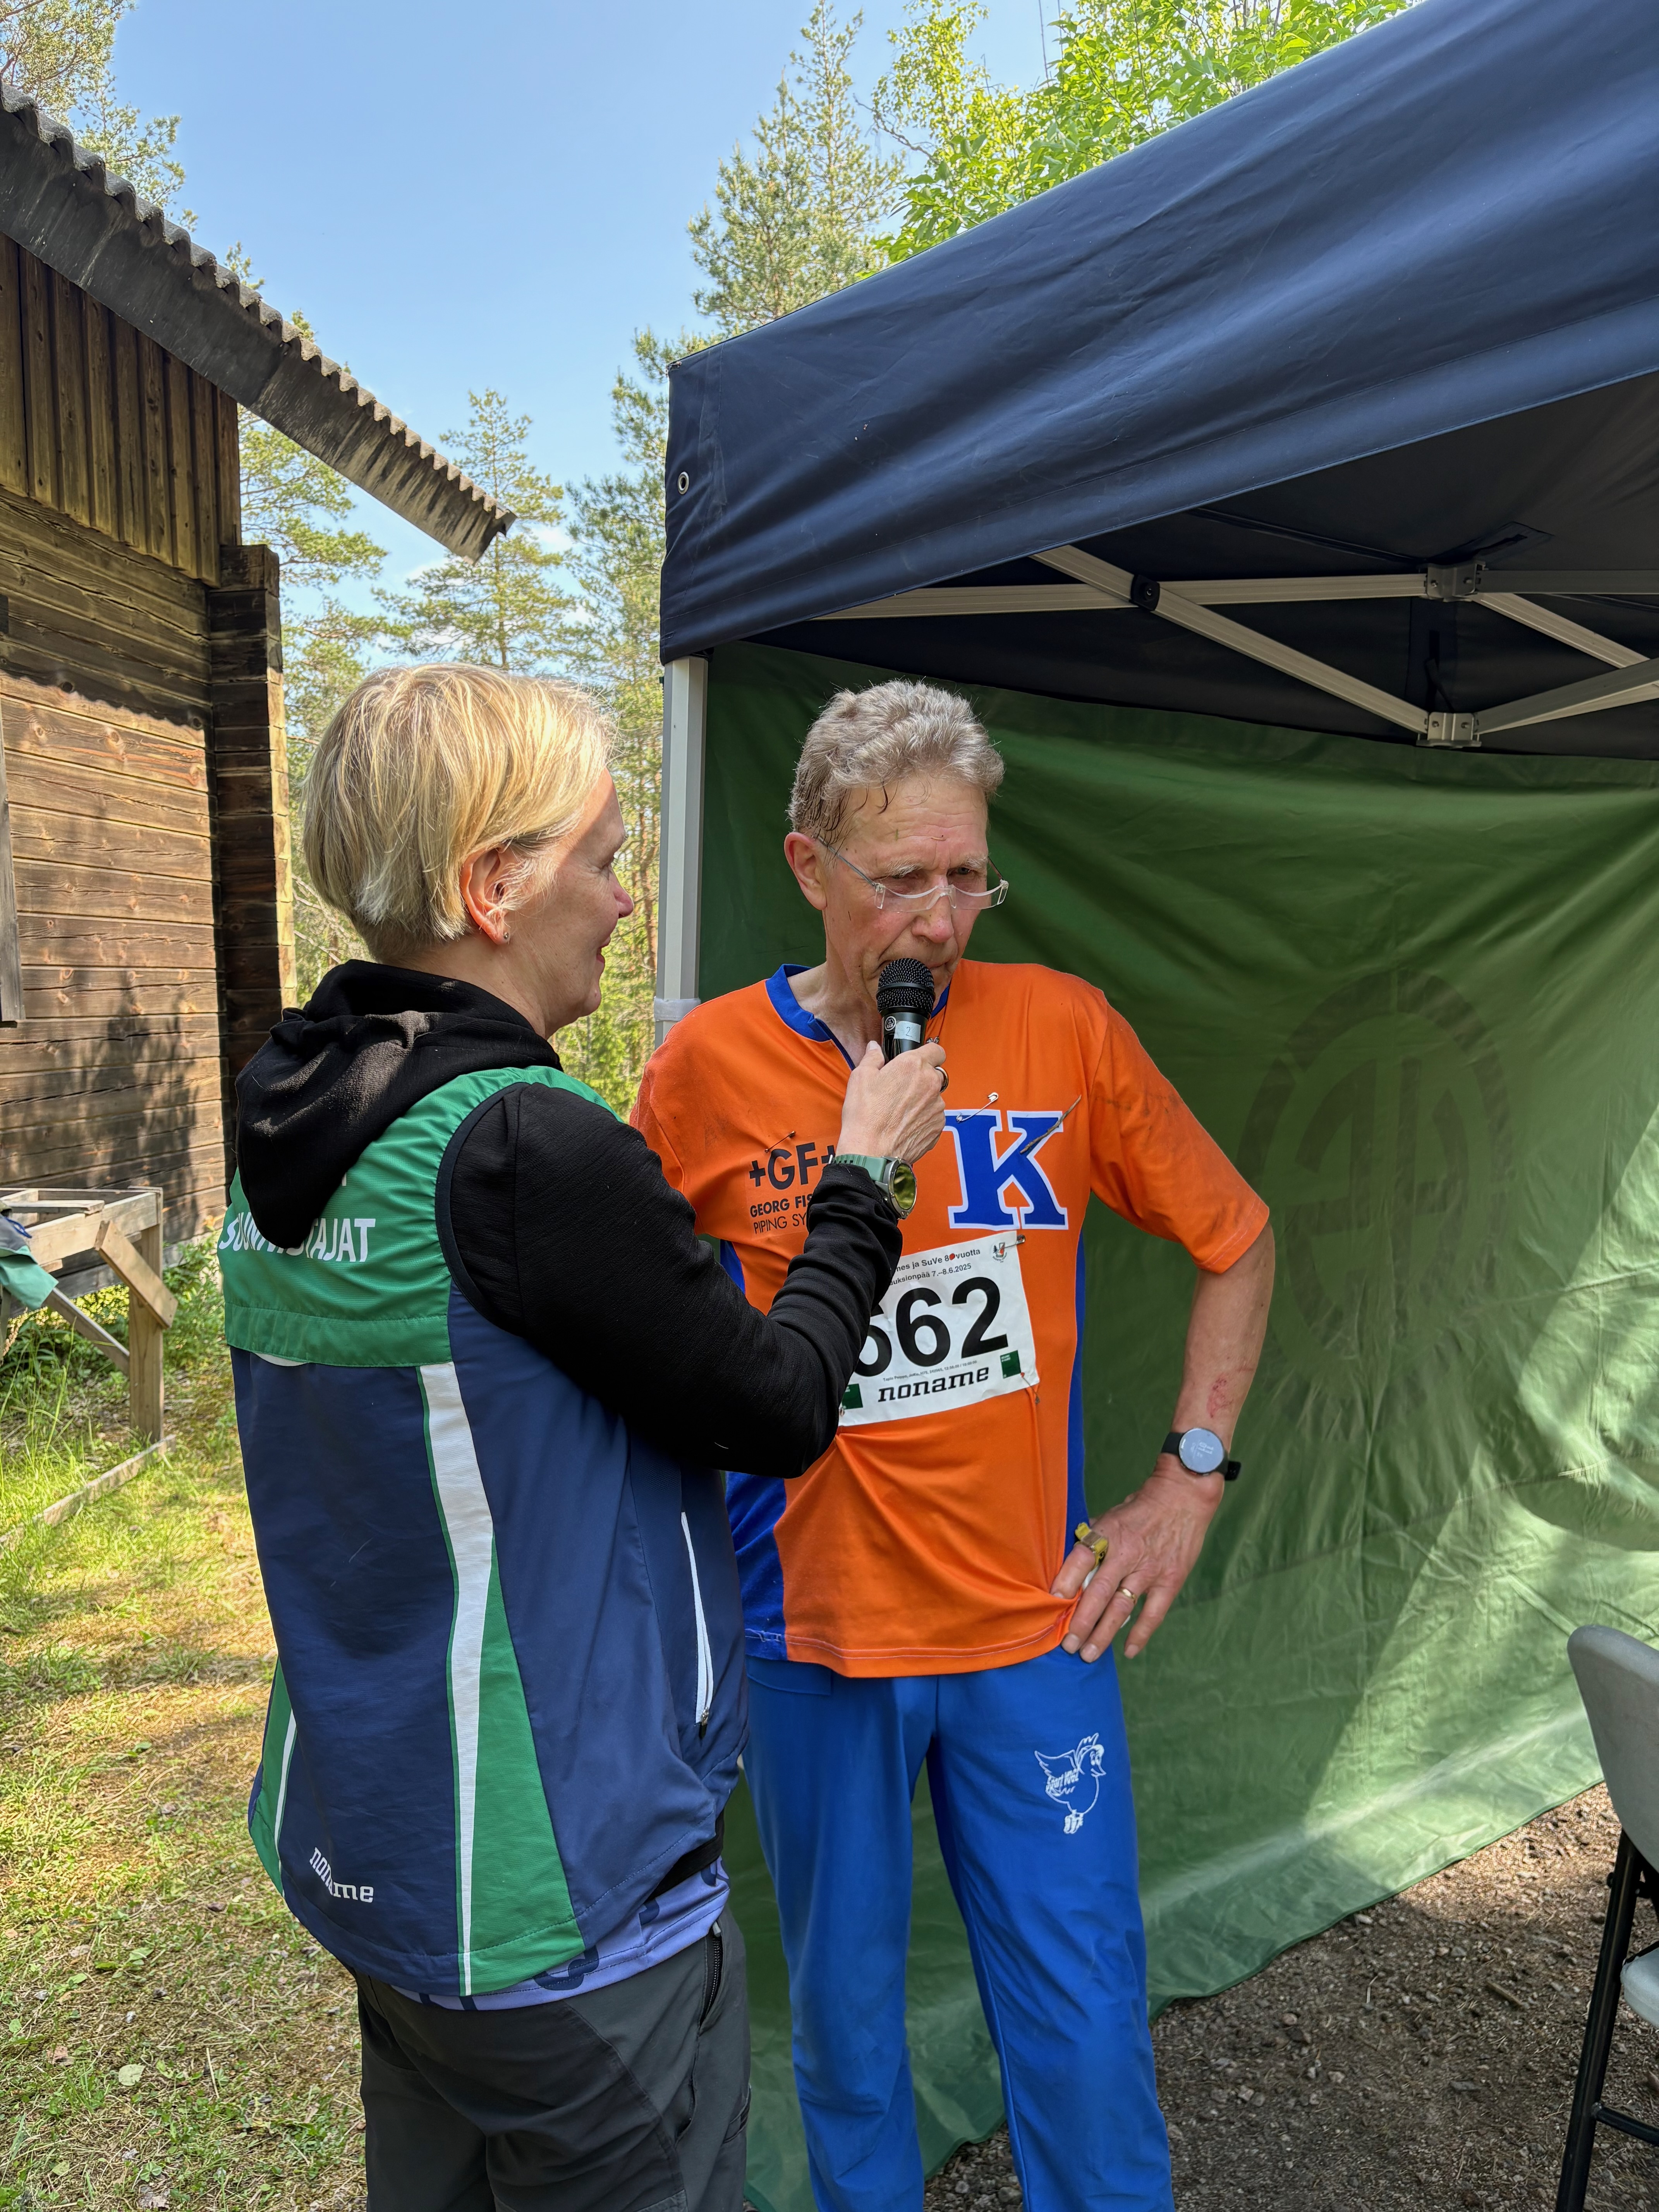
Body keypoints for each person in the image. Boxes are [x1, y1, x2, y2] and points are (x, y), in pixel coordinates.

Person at [217, 664, 948, 2212]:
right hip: (568, 1902)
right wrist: (863, 1178)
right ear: (494, 886)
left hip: (384, 1851)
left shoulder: (295, 1118)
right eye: (605, 860)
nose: (625, 902)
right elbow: (775, 1404)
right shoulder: (518, 1146)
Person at [632, 680, 1276, 2212]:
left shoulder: (1060, 1026)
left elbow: (1237, 1238)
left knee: (1086, 2031)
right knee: (847, 2039)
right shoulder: (706, 1070)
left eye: (967, 876)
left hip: (1031, 1628)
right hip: (814, 1634)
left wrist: (1188, 1478)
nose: (938, 919)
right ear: (809, 868)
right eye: (901, 878)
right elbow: (639, 1342)